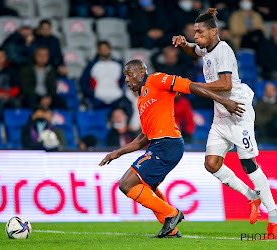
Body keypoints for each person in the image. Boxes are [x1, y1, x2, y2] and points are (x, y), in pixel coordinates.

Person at [99, 59, 244, 238]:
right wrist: (117, 153)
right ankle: (170, 229)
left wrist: (223, 100)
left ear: (142, 72)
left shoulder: (157, 80)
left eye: (129, 75)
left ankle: (172, 213)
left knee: (126, 184)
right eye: (125, 76)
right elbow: (143, 139)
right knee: (146, 187)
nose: (127, 80)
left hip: (167, 144)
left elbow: (190, 86)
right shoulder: (141, 99)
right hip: (159, 145)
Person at [172, 8, 277, 239]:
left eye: (199, 32)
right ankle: (251, 196)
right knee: (211, 163)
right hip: (220, 114)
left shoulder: (223, 50)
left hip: (237, 112)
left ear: (213, 32)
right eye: (194, 32)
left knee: (248, 163)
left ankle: (274, 218)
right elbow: (194, 51)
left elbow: (226, 84)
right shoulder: (206, 47)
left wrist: (190, 86)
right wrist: (184, 44)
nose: (196, 35)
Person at [80, 41, 127, 110]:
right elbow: (84, 81)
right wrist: (92, 94)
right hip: (97, 99)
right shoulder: (92, 65)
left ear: (110, 50)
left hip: (116, 98)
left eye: (106, 48)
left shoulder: (118, 65)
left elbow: (124, 80)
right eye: (102, 49)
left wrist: (119, 91)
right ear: (98, 51)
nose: (104, 51)